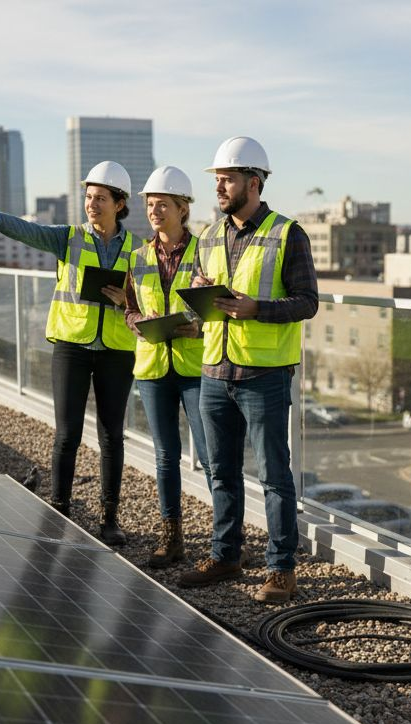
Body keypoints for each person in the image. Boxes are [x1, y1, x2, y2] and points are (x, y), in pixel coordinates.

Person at [0, 161, 136, 546]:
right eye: (88, 197)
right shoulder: (68, 238)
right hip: (71, 347)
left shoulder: (138, 250)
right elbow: (26, 230)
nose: (91, 204)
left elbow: (149, 298)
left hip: (116, 350)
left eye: (100, 198)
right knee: (67, 434)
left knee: (112, 436)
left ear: (119, 204)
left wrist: (126, 300)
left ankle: (109, 518)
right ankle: (60, 511)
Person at [176, 136, 319, 604]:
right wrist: (199, 293)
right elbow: (199, 307)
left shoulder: (288, 233)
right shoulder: (207, 237)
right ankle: (226, 555)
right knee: (220, 472)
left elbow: (307, 302)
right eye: (217, 179)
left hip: (265, 376)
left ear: (253, 182)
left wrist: (257, 308)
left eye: (227, 179)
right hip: (215, 371)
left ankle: (281, 570)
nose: (219, 187)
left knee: (274, 476)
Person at [123, 166, 212, 568]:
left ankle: (226, 541)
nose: (154, 211)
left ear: (182, 209)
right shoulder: (138, 257)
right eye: (150, 204)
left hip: (195, 366)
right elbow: (129, 308)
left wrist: (200, 326)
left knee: (210, 456)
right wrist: (139, 323)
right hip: (154, 367)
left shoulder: (204, 252)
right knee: (165, 456)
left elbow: (215, 303)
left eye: (162, 205)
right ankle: (171, 537)